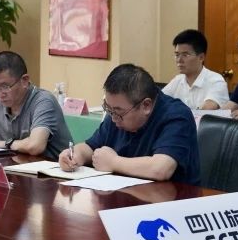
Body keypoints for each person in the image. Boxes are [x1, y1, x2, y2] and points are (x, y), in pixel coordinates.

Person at [58, 64, 200, 184]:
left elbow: (160, 169)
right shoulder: (117, 112)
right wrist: (75, 155)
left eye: (118, 112)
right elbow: (91, 146)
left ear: (146, 105)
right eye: (109, 109)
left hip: (172, 201)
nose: (113, 118)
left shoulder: (176, 116)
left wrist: (114, 162)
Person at [161, 29, 229, 110]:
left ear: (201, 57)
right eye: (177, 55)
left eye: (185, 55)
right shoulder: (177, 80)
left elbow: (207, 108)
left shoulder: (216, 81)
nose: (179, 60)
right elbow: (158, 102)